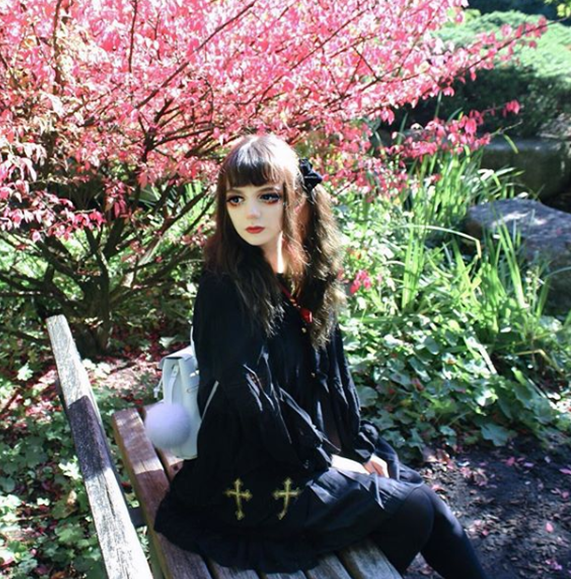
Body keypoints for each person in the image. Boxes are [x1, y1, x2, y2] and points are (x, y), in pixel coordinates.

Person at [154, 134, 488, 578]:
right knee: (413, 508)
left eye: (267, 197)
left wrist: (356, 445)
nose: (250, 213)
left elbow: (331, 375)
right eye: (236, 199)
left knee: (422, 500)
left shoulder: (303, 274)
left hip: (300, 442)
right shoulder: (226, 286)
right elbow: (252, 401)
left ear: (298, 202)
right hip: (250, 467)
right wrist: (327, 460)